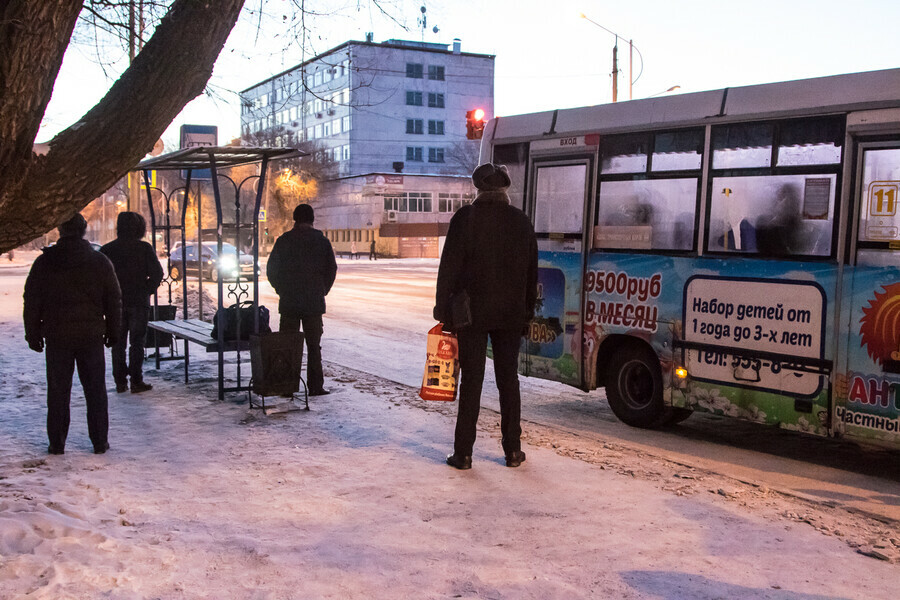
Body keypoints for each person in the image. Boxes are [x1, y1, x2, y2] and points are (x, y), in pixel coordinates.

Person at [434, 163, 538, 470]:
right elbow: (532, 272)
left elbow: (448, 269)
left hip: (471, 315)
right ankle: (513, 451)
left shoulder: (465, 219)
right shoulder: (520, 221)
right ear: (504, 189)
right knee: (508, 380)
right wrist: (527, 311)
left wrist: (443, 311)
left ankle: (463, 453)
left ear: (478, 188)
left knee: (472, 381)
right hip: (510, 315)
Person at [23, 213, 122, 455]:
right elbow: (113, 299)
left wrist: (32, 332)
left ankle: (57, 443)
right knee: (95, 390)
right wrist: (113, 331)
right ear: (83, 231)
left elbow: (32, 300)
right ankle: (100, 441)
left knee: (58, 391)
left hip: (58, 335)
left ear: (60, 230)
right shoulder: (99, 261)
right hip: (91, 334)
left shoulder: (45, 263)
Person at [267, 203, 337, 396]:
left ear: (295, 219)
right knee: (314, 346)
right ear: (312, 219)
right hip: (313, 304)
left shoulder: (284, 240)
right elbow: (331, 269)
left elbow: (271, 269)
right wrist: (322, 290)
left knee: (288, 345)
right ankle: (315, 386)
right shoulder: (321, 242)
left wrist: (281, 289)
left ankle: (286, 386)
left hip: (289, 303)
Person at [100, 212, 164, 393]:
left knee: (117, 343)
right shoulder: (144, 248)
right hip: (138, 302)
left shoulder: (107, 250)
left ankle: (120, 382)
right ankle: (136, 380)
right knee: (137, 342)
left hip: (116, 304)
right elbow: (158, 273)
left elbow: (100, 279)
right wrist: (147, 289)